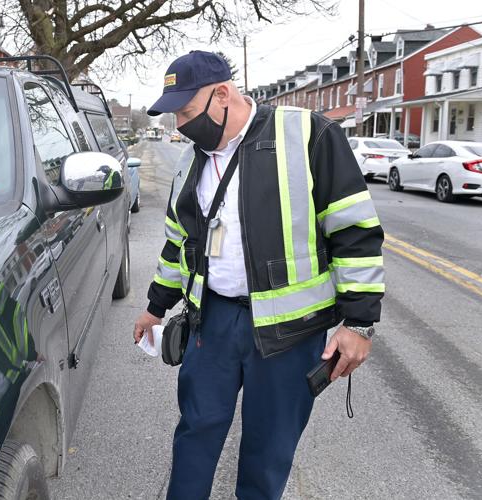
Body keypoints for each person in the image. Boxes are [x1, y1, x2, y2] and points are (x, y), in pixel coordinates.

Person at [132, 51, 384, 500]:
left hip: (291, 333)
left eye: (186, 112)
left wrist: (359, 323)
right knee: (195, 432)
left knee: (268, 451)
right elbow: (178, 244)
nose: (180, 125)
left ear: (222, 94)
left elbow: (355, 232)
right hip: (212, 322)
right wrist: (155, 307)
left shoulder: (308, 135)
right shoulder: (191, 162)